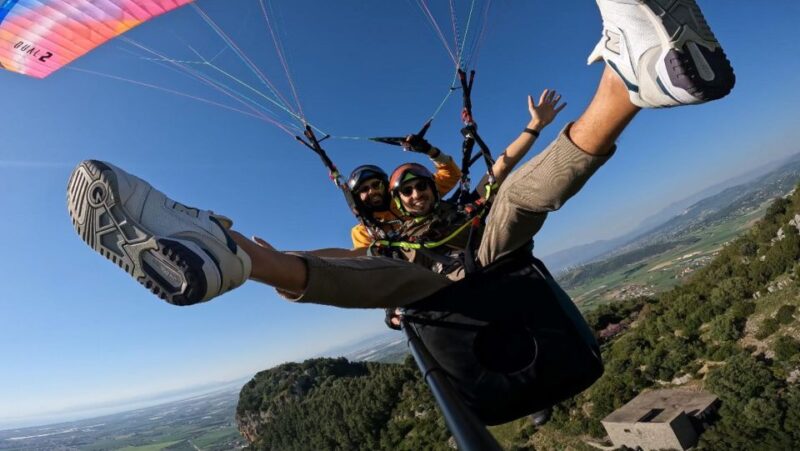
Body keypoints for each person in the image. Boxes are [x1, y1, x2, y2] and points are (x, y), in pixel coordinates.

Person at [68, 0, 735, 309]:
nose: (415, 195)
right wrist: (286, 256)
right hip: (431, 289)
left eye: (419, 187)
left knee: (520, 198)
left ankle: (636, 82)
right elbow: (348, 258)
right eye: (407, 191)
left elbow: (504, 172)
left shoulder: (455, 202)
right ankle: (236, 256)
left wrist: (531, 130)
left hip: (486, 255)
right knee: (377, 275)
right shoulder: (379, 235)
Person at [346, 139, 461, 249]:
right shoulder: (363, 231)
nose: (372, 191)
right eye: (364, 189)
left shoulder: (408, 197)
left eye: (376, 185)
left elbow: (451, 175)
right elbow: (370, 263)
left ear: (387, 185)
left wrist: (430, 151)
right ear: (357, 197)